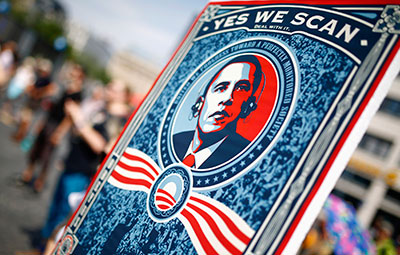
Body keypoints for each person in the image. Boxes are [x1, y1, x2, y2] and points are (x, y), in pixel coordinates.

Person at [40, 80, 130, 246]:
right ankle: (41, 247)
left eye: (113, 88)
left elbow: (101, 146)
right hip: (73, 163)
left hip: (85, 172)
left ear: (123, 95)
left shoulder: (121, 120)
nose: (107, 90)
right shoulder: (102, 110)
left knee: (64, 219)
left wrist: (79, 119)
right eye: (108, 86)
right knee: (55, 210)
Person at [173, 55, 264, 169]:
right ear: (199, 103)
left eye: (240, 89)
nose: (227, 98)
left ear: (247, 108)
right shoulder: (175, 141)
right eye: (221, 87)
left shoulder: (249, 157)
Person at [19, 64, 85, 192]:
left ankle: (40, 182)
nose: (71, 74)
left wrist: (60, 132)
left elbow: (69, 117)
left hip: (57, 126)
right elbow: (52, 107)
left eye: (74, 73)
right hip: (49, 121)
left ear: (80, 76)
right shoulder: (65, 88)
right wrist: (42, 122)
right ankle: (28, 174)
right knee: (36, 150)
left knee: (47, 156)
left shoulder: (78, 94)